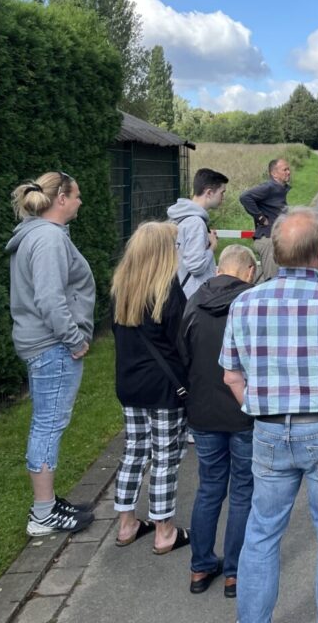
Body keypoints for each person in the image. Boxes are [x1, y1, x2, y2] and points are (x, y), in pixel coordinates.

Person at [221, 208, 318, 623]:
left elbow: (231, 375)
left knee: (261, 534)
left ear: (275, 254)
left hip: (270, 431)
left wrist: (256, 408)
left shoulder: (245, 303)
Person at [7, 171, 96, 536]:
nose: (79, 202)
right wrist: (74, 340)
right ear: (60, 198)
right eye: (75, 196)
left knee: (47, 421)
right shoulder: (47, 239)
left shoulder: (40, 235)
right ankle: (42, 515)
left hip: (43, 343)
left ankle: (47, 502)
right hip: (52, 345)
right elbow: (49, 299)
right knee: (48, 424)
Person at [179, 245, 257, 598]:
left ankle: (200, 567)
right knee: (242, 490)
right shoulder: (252, 304)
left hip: (203, 410)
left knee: (209, 488)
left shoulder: (193, 301)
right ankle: (234, 573)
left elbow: (183, 353)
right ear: (249, 271)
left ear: (219, 269)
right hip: (243, 410)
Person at [111, 221, 191, 554]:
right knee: (165, 457)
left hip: (130, 383)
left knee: (134, 452)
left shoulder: (120, 288)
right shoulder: (169, 291)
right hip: (164, 388)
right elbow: (182, 342)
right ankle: (164, 529)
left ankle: (126, 522)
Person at [167, 167, 228, 299]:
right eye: (222, 193)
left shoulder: (178, 217)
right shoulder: (196, 223)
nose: (223, 197)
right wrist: (212, 247)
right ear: (209, 193)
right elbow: (196, 267)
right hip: (193, 298)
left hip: (179, 293)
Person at [239, 158, 291, 283]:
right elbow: (245, 197)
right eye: (285, 169)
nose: (288, 172)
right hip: (268, 241)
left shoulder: (278, 189)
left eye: (289, 169)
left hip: (273, 240)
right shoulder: (269, 186)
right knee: (273, 281)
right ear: (274, 174)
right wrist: (260, 217)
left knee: (269, 278)